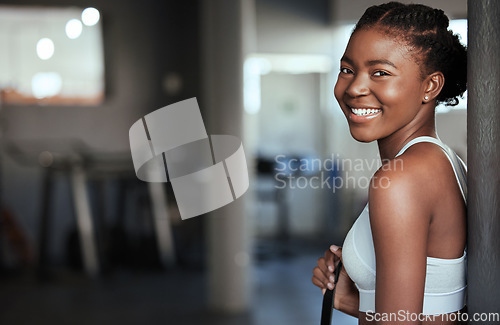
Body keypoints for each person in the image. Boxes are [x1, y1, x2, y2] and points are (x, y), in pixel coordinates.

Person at [312, 2, 467, 324]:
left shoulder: (401, 180)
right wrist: (349, 300)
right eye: (347, 69)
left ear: (430, 86)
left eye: (380, 72)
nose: (354, 88)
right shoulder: (443, 161)